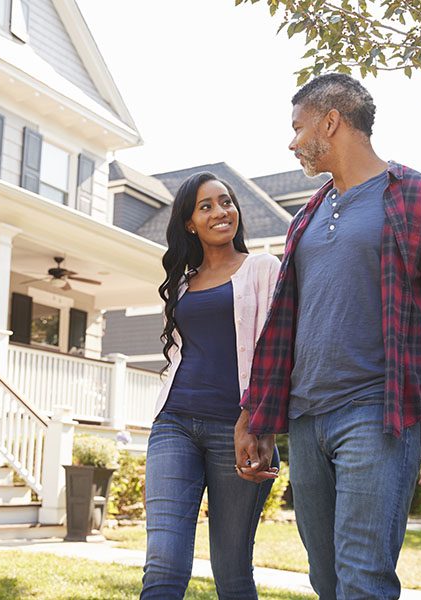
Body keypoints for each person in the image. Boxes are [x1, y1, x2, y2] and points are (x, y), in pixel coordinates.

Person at [235, 73, 421, 599]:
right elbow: (284, 326)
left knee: (363, 578)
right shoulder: (305, 215)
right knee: (326, 579)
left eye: (298, 127)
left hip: (379, 412)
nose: (292, 142)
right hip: (306, 418)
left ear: (331, 122)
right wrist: (256, 414)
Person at [142, 171, 280, 599]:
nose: (221, 211)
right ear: (189, 222)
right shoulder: (181, 284)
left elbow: (279, 352)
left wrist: (259, 425)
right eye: (206, 206)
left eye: (226, 202)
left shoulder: (262, 268)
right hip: (175, 424)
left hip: (238, 430)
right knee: (163, 563)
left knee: (232, 569)